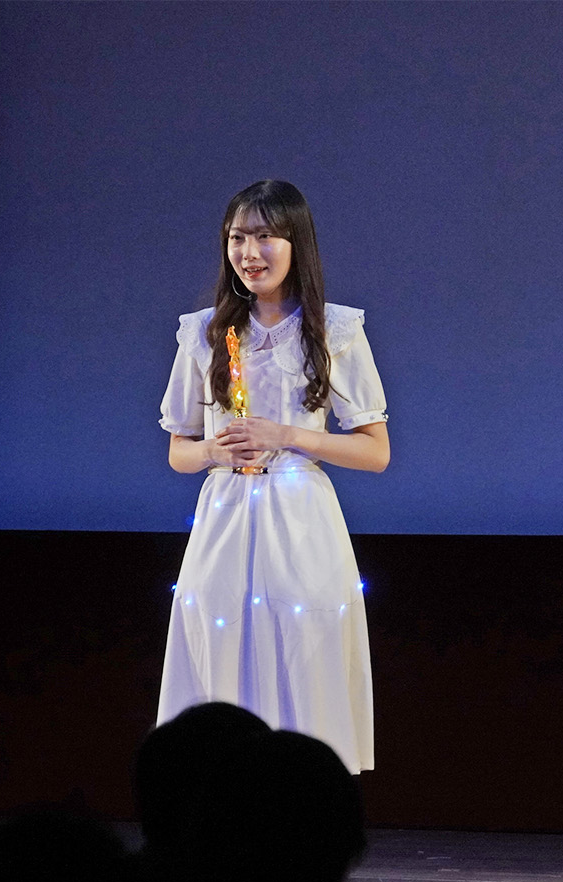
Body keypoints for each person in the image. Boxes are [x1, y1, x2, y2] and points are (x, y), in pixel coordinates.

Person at [159, 179, 389, 772]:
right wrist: (214, 452)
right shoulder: (205, 332)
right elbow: (179, 450)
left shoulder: (334, 330)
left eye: (265, 237)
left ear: (296, 243)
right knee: (222, 657)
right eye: (238, 238)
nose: (249, 253)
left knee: (302, 657)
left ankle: (303, 796)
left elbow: (375, 452)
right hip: (224, 521)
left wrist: (286, 435)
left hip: (301, 520)